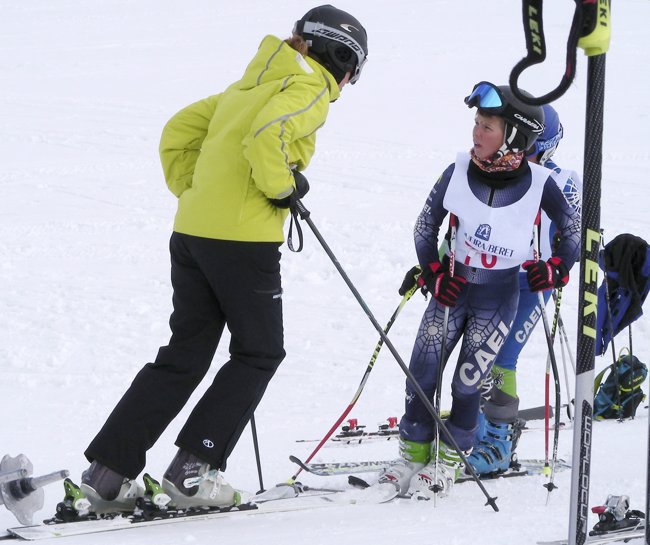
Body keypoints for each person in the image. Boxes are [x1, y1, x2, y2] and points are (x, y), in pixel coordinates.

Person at [75, 5, 369, 514]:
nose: (348, 82)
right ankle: (193, 472)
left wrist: (195, 192)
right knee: (259, 351)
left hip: (191, 233)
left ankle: (108, 476)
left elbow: (178, 131)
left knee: (185, 353)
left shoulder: (252, 82)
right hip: (242, 243)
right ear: (340, 58)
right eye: (354, 71)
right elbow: (266, 138)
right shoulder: (310, 87)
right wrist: (281, 188)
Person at [378, 82, 581, 500]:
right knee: (421, 370)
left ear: (514, 136)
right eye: (476, 122)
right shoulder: (459, 168)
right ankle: (411, 454)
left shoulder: (547, 180)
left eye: (486, 125)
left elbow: (573, 230)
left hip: (502, 293)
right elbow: (424, 225)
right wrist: (432, 271)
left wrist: (558, 267)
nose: (476, 131)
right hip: (453, 289)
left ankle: (453, 459)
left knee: (470, 381)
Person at [468, 104, 582, 475]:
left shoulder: (563, 181)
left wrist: (559, 267)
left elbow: (576, 236)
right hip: (494, 276)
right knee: (475, 354)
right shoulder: (495, 172)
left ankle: (497, 443)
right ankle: (477, 423)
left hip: (532, 283)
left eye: (528, 147)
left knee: (502, 359)